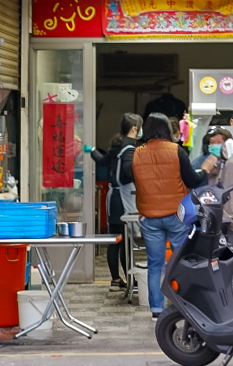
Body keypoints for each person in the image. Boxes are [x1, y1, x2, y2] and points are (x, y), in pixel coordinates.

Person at [132, 112, 213, 319]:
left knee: (155, 264)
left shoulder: (137, 153)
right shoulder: (176, 151)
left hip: (149, 216)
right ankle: (182, 304)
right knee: (180, 262)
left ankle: (157, 310)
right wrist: (204, 169)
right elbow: (193, 180)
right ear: (167, 130)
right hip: (176, 216)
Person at [89, 113, 141, 290]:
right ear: (134, 129)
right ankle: (129, 279)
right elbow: (128, 171)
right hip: (124, 198)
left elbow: (102, 161)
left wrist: (92, 151)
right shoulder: (131, 148)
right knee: (125, 240)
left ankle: (116, 279)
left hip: (114, 198)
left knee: (115, 239)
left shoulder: (117, 144)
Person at [203, 128, 233, 259]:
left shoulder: (231, 165)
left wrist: (224, 218)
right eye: (211, 143)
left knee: (229, 266)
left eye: (217, 143)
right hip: (227, 225)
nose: (213, 146)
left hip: (232, 227)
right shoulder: (222, 164)